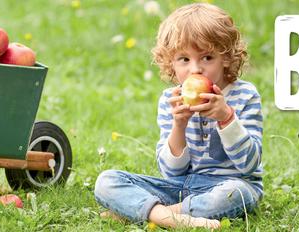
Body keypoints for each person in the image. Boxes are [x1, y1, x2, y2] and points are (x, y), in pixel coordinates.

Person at [94, 3, 263, 229]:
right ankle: (175, 217)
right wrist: (179, 126)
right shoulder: (170, 101)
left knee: (238, 193)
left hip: (227, 185)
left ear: (226, 57)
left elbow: (249, 166)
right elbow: (171, 173)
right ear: (171, 64)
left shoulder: (245, 95)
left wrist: (226, 117)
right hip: (182, 187)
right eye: (184, 59)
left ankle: (152, 213)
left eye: (207, 57)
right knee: (107, 181)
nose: (195, 69)